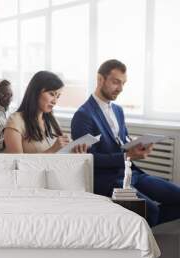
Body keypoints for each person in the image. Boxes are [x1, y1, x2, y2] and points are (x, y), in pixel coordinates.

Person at [71, 59, 180, 226]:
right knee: (150, 211)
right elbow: (87, 160)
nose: (120, 88)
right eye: (115, 82)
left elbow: (123, 141)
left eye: (123, 83)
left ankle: (142, 225)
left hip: (132, 174)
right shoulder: (83, 115)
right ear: (100, 79)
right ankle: (143, 225)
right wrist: (127, 156)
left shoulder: (118, 110)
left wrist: (135, 145)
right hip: (108, 182)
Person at [4, 71, 86, 154]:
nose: (55, 101)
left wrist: (74, 152)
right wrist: (53, 150)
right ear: (36, 91)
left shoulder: (52, 122)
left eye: (57, 96)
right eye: (51, 94)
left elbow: (61, 155)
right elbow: (16, 163)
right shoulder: (15, 121)